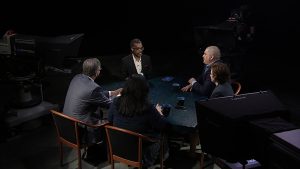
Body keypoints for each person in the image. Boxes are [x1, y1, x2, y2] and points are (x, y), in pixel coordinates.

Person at [108, 74, 169, 168]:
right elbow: (162, 126)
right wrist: (159, 113)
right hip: (141, 152)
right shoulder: (147, 107)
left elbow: (110, 120)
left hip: (118, 148)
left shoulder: (115, 101)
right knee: (162, 135)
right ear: (144, 90)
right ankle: (161, 158)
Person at [63, 57, 122, 144]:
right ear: (96, 72)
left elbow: (91, 95)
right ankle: (107, 148)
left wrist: (112, 93)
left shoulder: (77, 78)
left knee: (98, 113)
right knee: (113, 120)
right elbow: (109, 104)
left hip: (66, 126)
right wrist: (120, 96)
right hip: (80, 131)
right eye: (99, 69)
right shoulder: (93, 88)